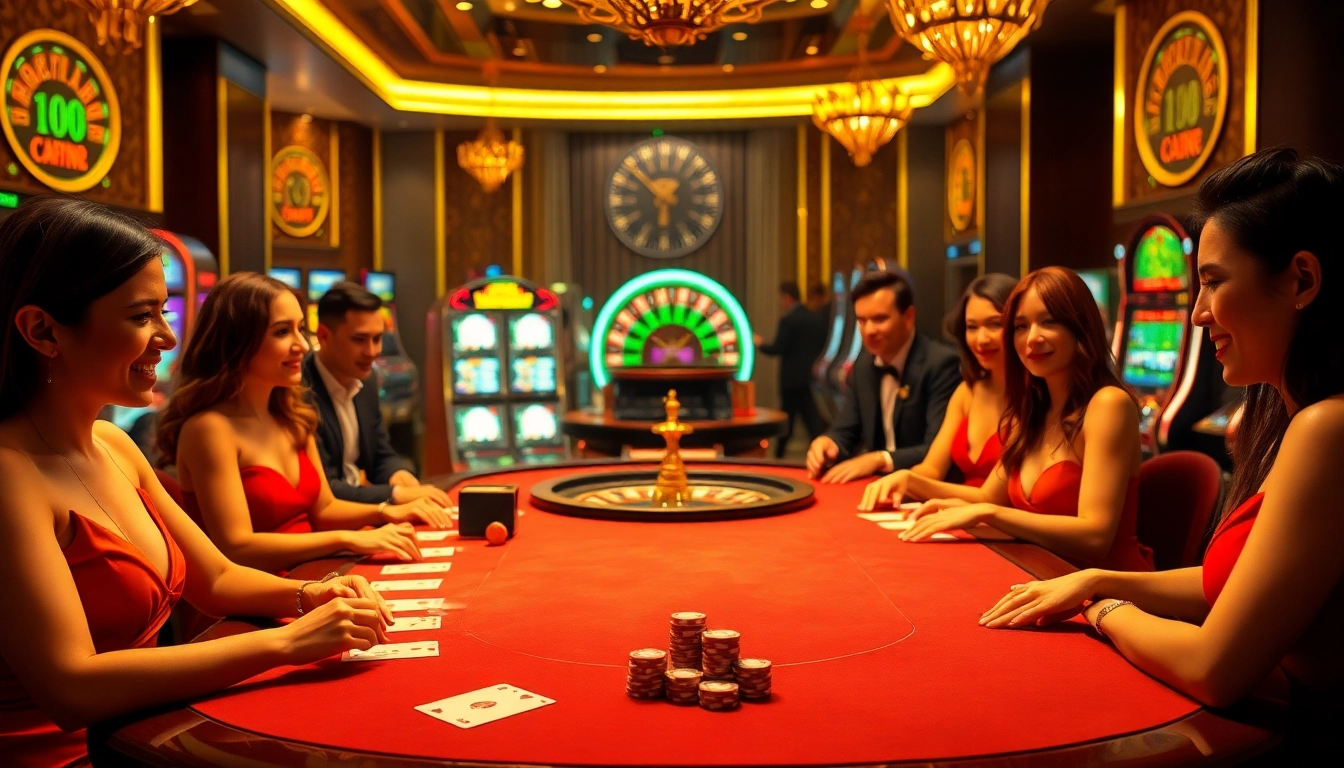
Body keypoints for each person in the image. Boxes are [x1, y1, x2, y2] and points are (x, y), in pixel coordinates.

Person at [0, 197, 393, 767]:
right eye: (141, 316)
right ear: (42, 329)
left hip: (146, 734)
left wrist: (311, 594)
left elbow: (218, 577)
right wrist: (287, 642)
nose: (166, 336)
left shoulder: (114, 445)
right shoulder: (9, 474)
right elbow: (71, 686)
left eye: (164, 312)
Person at [979, 149, 1344, 747]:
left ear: (1301, 280)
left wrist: (1101, 611)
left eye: (1212, 282)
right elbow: (1226, 584)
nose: (1196, 315)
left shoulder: (1326, 428)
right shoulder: (1294, 418)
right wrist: (1096, 580)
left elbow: (1213, 668)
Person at [156, 273, 450, 576]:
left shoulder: (292, 415)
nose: (303, 345)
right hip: (246, 605)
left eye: (300, 329)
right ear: (238, 341)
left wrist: (388, 511)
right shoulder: (209, 429)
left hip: (313, 573)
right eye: (282, 332)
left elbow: (325, 510)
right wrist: (349, 538)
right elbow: (236, 548)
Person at [897, 267, 1153, 572]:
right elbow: (985, 495)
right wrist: (922, 489)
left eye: (1049, 322)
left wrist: (989, 514)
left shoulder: (1108, 404)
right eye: (1020, 326)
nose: (1032, 338)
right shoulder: (1031, 410)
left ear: (1080, 328)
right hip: (1038, 575)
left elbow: (1095, 538)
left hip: (1108, 596)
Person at [858, 274, 1017, 509]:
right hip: (959, 519)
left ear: (1019, 325)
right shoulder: (967, 392)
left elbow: (990, 497)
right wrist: (900, 481)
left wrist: (912, 481)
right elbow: (932, 467)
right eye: (972, 327)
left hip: (1004, 528)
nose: (981, 339)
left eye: (995, 324)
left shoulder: (1035, 398)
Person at [805, 271, 961, 483]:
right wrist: (828, 442)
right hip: (877, 486)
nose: (869, 330)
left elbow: (938, 449)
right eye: (861, 320)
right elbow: (845, 430)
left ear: (908, 317)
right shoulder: (863, 365)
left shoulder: (941, 364)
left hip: (928, 488)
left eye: (880, 319)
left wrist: (880, 459)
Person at [305, 282, 450, 507]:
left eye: (378, 338)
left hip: (361, 508)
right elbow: (325, 487)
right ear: (323, 336)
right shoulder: (300, 390)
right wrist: (395, 494)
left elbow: (380, 454)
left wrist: (399, 475)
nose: (372, 352)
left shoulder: (368, 379)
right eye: (360, 340)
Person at [754, 280, 828, 458]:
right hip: (808, 378)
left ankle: (778, 457)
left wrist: (760, 344)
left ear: (787, 298)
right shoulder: (814, 318)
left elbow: (777, 348)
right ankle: (823, 451)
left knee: (788, 421)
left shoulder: (788, 320)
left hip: (790, 381)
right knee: (811, 420)